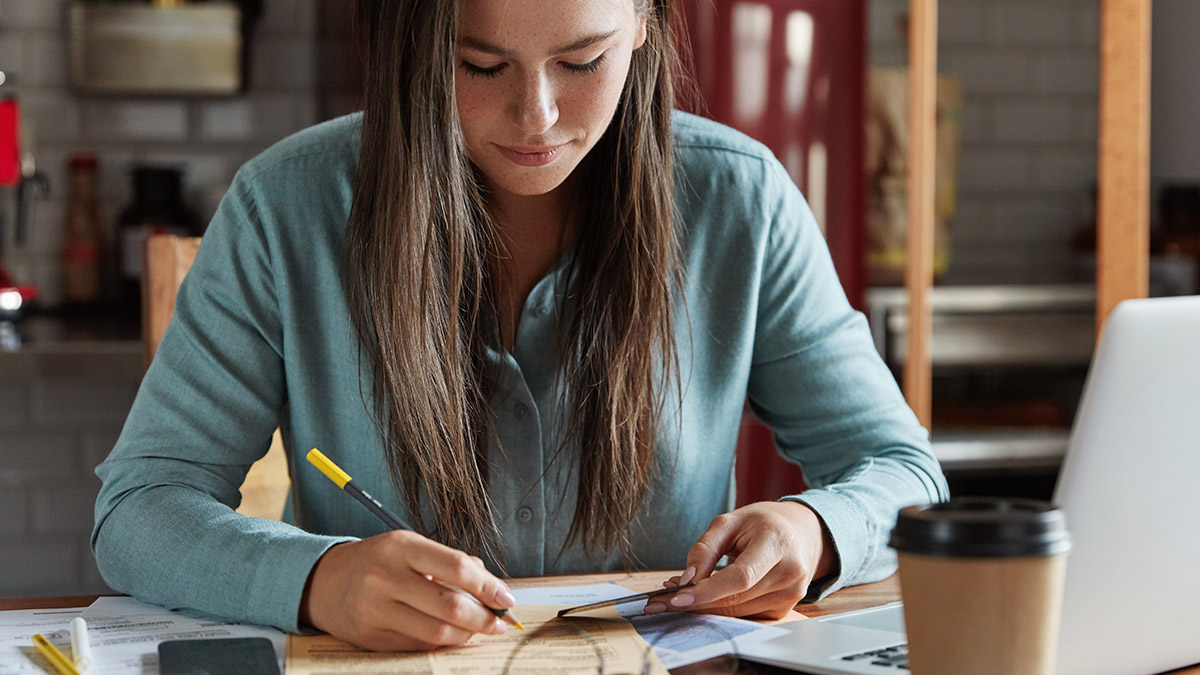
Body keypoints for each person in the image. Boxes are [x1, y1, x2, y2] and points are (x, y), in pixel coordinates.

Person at [92, 0, 948, 653]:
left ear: (643, 23)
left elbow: (905, 472)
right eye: (480, 65)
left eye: (582, 60)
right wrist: (318, 579)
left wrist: (818, 530)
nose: (536, 116)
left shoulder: (739, 201)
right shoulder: (287, 206)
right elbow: (138, 510)